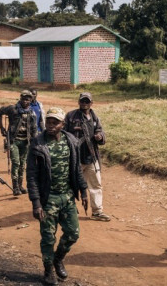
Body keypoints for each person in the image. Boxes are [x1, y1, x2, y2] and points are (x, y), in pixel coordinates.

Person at [27, 107, 88, 285]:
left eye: (55, 122)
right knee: (48, 237)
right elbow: (31, 176)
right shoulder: (38, 144)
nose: (51, 125)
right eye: (49, 122)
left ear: (62, 124)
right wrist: (36, 203)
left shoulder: (71, 141)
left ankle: (58, 258)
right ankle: (48, 270)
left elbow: (76, 168)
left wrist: (83, 190)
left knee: (73, 233)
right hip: (48, 199)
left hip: (67, 196)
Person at [63, 92, 110, 221]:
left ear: (91, 103)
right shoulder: (71, 116)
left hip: (91, 157)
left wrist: (99, 136)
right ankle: (69, 210)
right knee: (71, 184)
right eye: (82, 101)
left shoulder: (95, 118)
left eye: (87, 101)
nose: (84, 103)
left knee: (96, 185)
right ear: (78, 102)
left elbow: (100, 131)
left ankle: (97, 211)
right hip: (75, 158)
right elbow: (63, 134)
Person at [0, 90, 38, 196]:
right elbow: (0, 111)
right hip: (14, 141)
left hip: (25, 142)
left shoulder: (32, 113)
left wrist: (34, 143)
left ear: (31, 100)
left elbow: (34, 129)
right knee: (16, 163)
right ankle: (15, 187)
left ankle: (20, 186)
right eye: (23, 98)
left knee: (22, 164)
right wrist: (1, 127)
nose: (25, 101)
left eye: (28, 99)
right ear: (20, 98)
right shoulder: (12, 109)